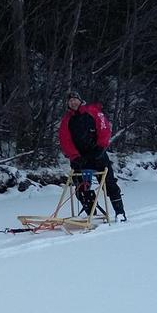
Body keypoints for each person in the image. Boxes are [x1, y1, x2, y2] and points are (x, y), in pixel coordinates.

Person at [58, 90, 127, 221]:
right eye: (70, 100)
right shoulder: (67, 120)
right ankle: (92, 215)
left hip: (98, 155)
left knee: (109, 184)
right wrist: (74, 156)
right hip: (80, 158)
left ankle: (120, 213)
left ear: (80, 100)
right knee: (81, 188)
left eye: (75, 99)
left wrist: (100, 147)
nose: (73, 102)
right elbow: (64, 140)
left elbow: (104, 129)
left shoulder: (93, 111)